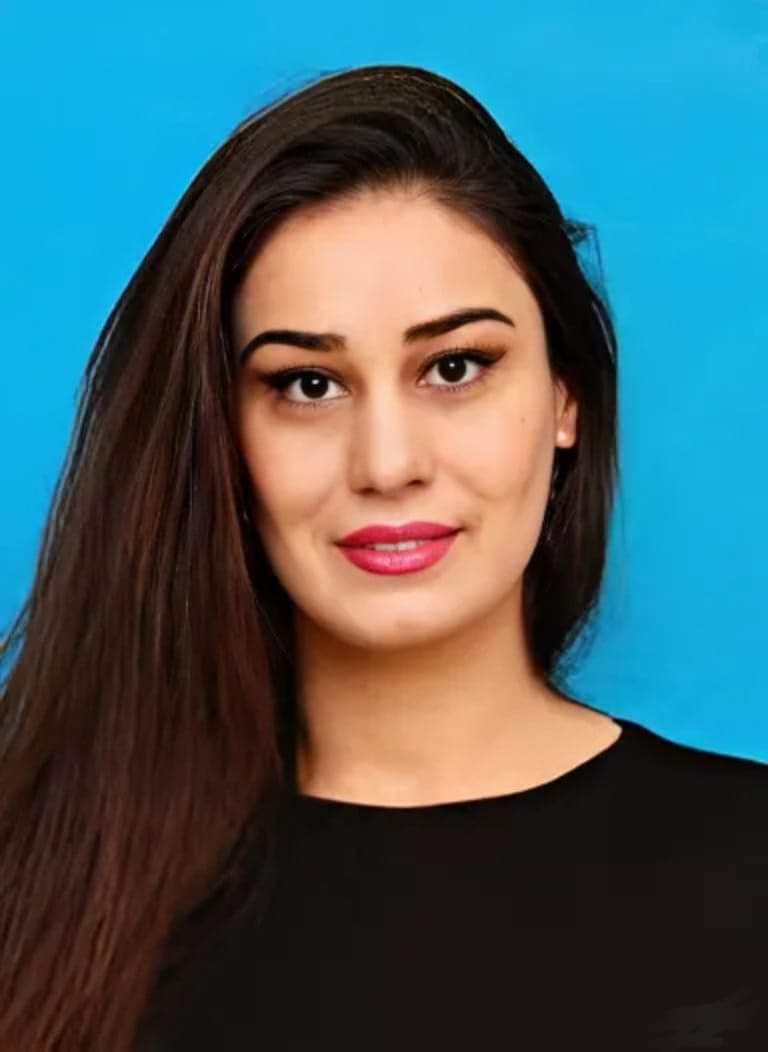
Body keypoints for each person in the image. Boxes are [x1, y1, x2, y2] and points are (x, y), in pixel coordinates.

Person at [1, 63, 766, 1052]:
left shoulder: (748, 870)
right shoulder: (40, 883)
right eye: (308, 384)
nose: (387, 463)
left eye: (454, 366)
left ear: (565, 398)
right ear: (222, 436)